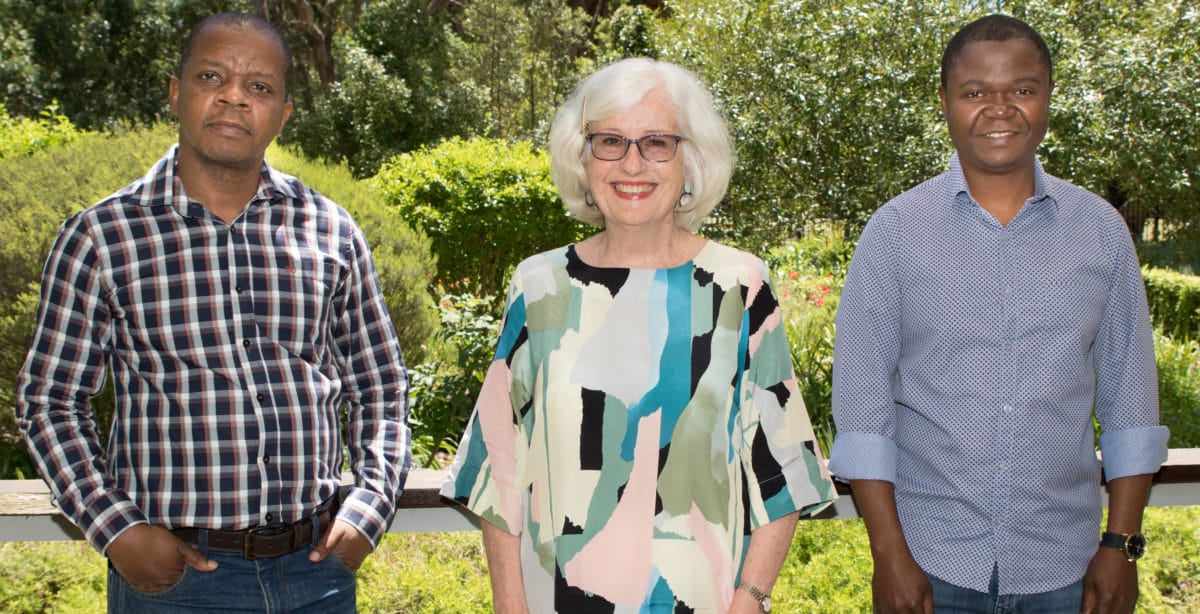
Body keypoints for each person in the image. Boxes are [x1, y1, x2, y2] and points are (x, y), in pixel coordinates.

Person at [15, 12, 410, 613]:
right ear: (177, 94)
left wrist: (371, 507)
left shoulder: (331, 230)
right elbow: (49, 400)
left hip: (318, 573)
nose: (234, 96)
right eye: (211, 76)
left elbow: (380, 385)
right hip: (175, 582)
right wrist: (114, 526)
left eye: (260, 87)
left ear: (283, 114)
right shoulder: (101, 237)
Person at [440, 57, 838, 613]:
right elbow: (497, 468)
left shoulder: (739, 286)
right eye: (610, 141)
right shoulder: (539, 286)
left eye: (656, 142)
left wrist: (749, 602)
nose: (632, 163)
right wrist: (510, 604)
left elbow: (785, 469)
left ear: (690, 161)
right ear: (583, 159)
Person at [828, 14, 1169, 614]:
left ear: (1047, 97)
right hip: (932, 564)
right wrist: (889, 556)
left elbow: (1130, 402)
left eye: (1022, 89)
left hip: (1066, 564)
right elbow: (862, 410)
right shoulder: (894, 234)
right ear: (946, 103)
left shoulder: (1101, 233)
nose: (1000, 108)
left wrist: (1121, 545)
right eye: (975, 92)